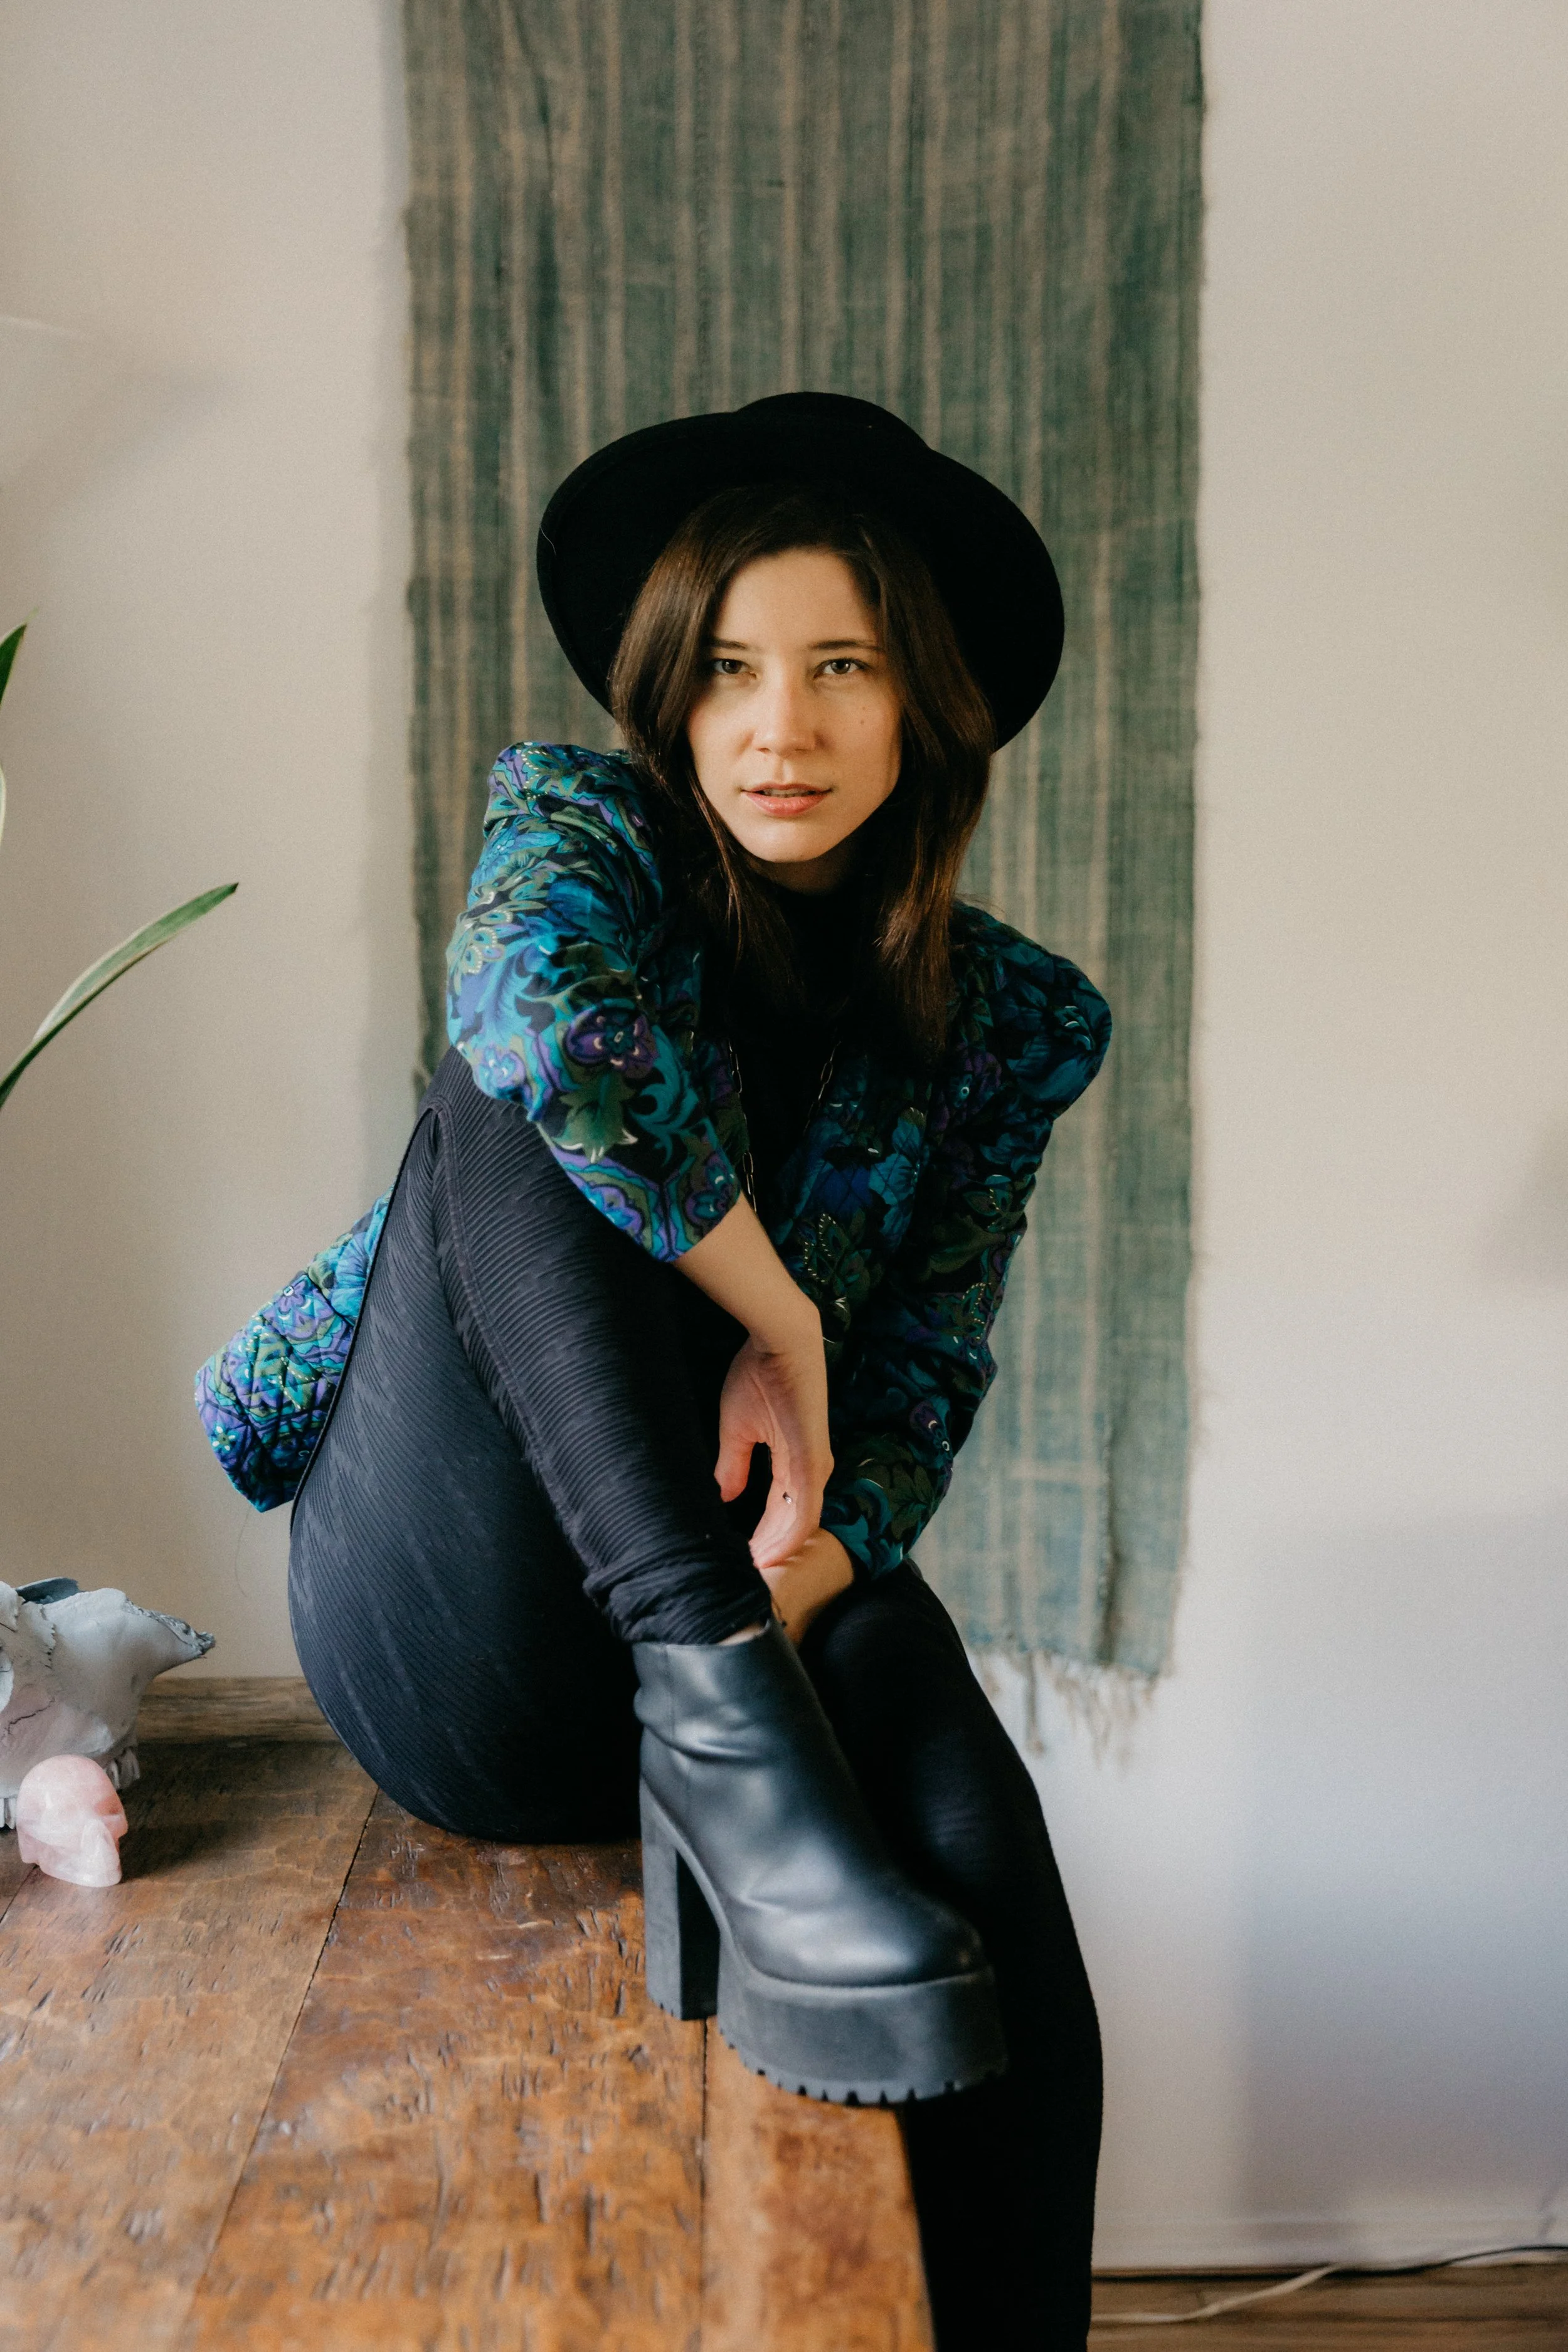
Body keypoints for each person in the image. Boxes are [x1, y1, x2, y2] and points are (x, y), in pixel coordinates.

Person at [198, 392, 1111, 2350]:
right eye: (727, 669)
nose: (779, 727)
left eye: (842, 668)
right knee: (505, 1090)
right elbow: (533, 1015)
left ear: (924, 707)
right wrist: (773, 1306)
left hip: (728, 1626)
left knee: (966, 1821)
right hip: (456, 1617)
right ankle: (727, 1722)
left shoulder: (1007, 1022)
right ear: (666, 700)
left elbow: (933, 1360)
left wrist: (821, 1562)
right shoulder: (576, 836)